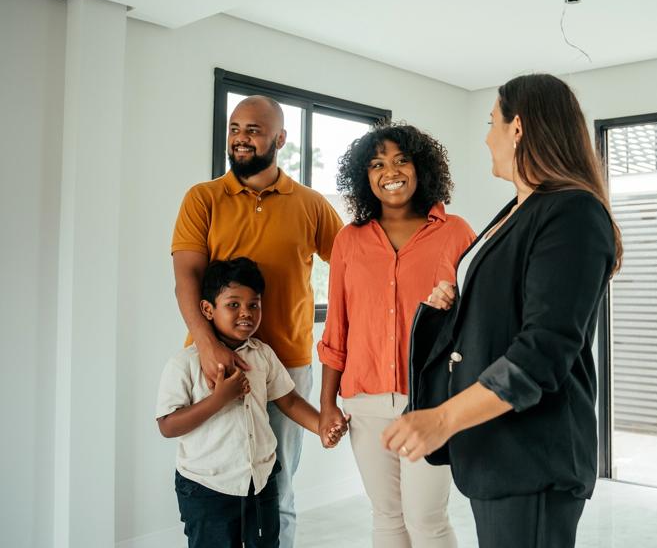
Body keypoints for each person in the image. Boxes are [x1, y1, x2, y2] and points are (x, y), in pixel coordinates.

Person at [382, 74, 622, 548]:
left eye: (492, 122)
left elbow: (542, 352)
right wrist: (449, 309)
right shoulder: (517, 208)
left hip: (532, 456)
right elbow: (504, 315)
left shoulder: (571, 213)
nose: (486, 136)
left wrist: (443, 418)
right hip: (495, 450)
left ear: (518, 129)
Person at [171, 95, 343, 547]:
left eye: (253, 130)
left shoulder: (310, 204)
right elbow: (186, 279)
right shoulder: (202, 198)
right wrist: (208, 347)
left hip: (287, 364)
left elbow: (352, 264)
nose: (241, 138)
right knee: (218, 485)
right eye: (235, 128)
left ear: (280, 139)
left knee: (278, 490)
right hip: (219, 363)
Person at [318, 124, 474, 548]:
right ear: (364, 177)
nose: (391, 171)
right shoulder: (349, 241)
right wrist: (326, 404)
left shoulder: (455, 232)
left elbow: (475, 319)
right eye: (377, 164)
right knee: (387, 518)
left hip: (429, 399)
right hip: (364, 402)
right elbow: (338, 328)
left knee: (426, 519)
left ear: (421, 167)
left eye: (401, 160)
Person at [157, 258, 326, 548]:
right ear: (208, 309)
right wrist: (219, 399)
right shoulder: (185, 363)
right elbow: (168, 426)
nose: (246, 313)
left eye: (253, 305)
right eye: (233, 305)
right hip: (207, 490)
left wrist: (323, 426)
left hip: (260, 483)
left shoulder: (262, 355)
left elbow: (290, 401)